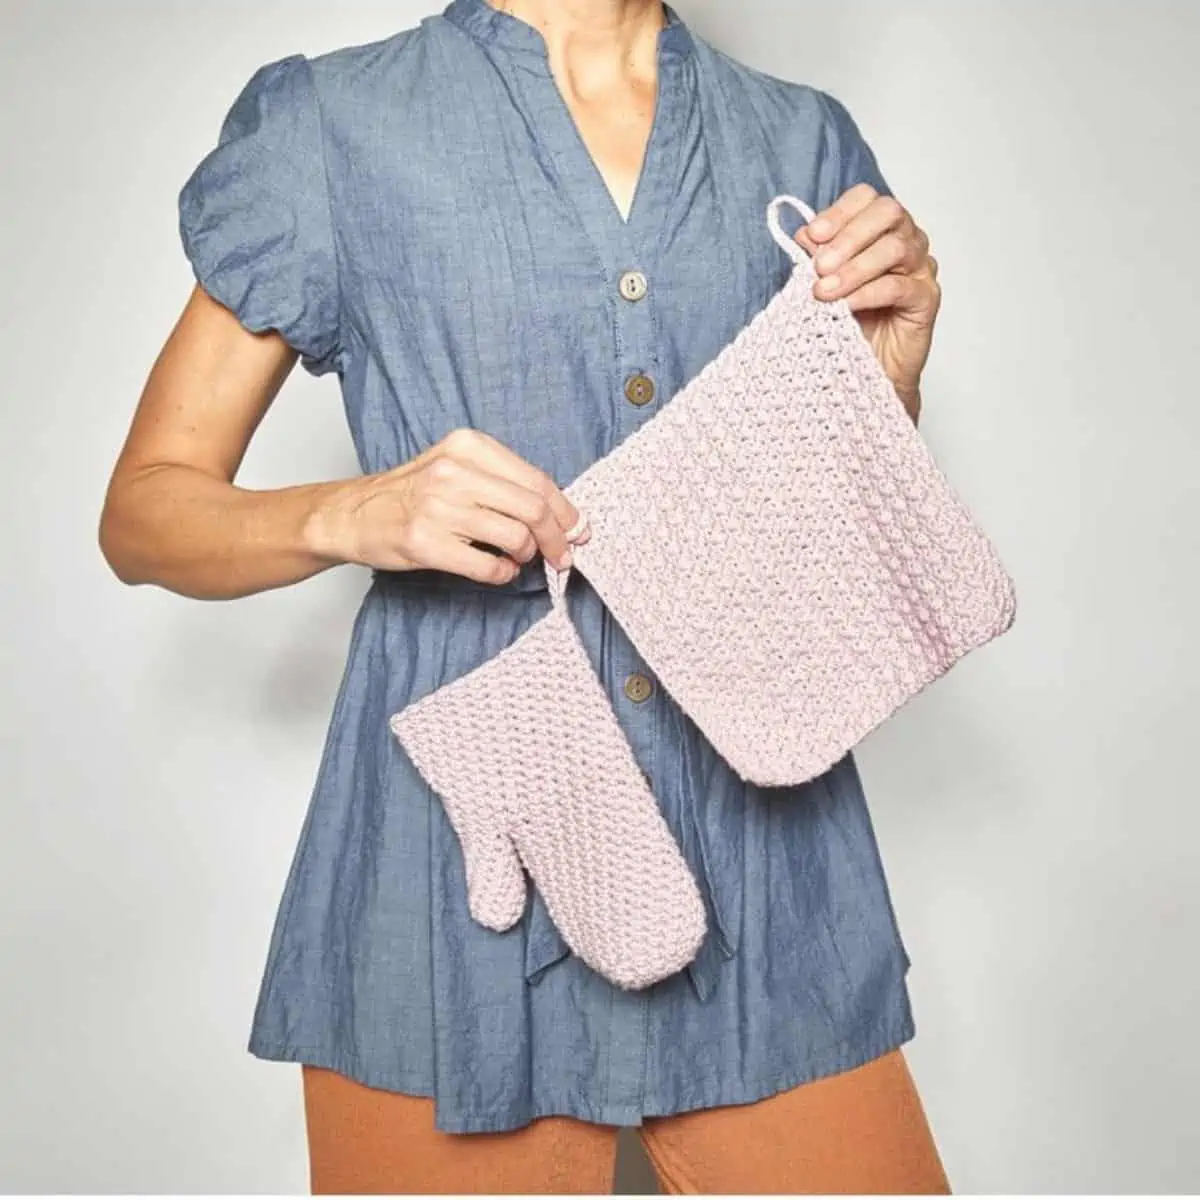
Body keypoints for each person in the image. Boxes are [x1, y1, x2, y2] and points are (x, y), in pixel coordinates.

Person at [99, 0, 947, 1192]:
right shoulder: (334, 127)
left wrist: (890, 377)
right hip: (449, 859)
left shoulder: (801, 142)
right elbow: (143, 511)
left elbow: (832, 542)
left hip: (769, 854)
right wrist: (355, 511)